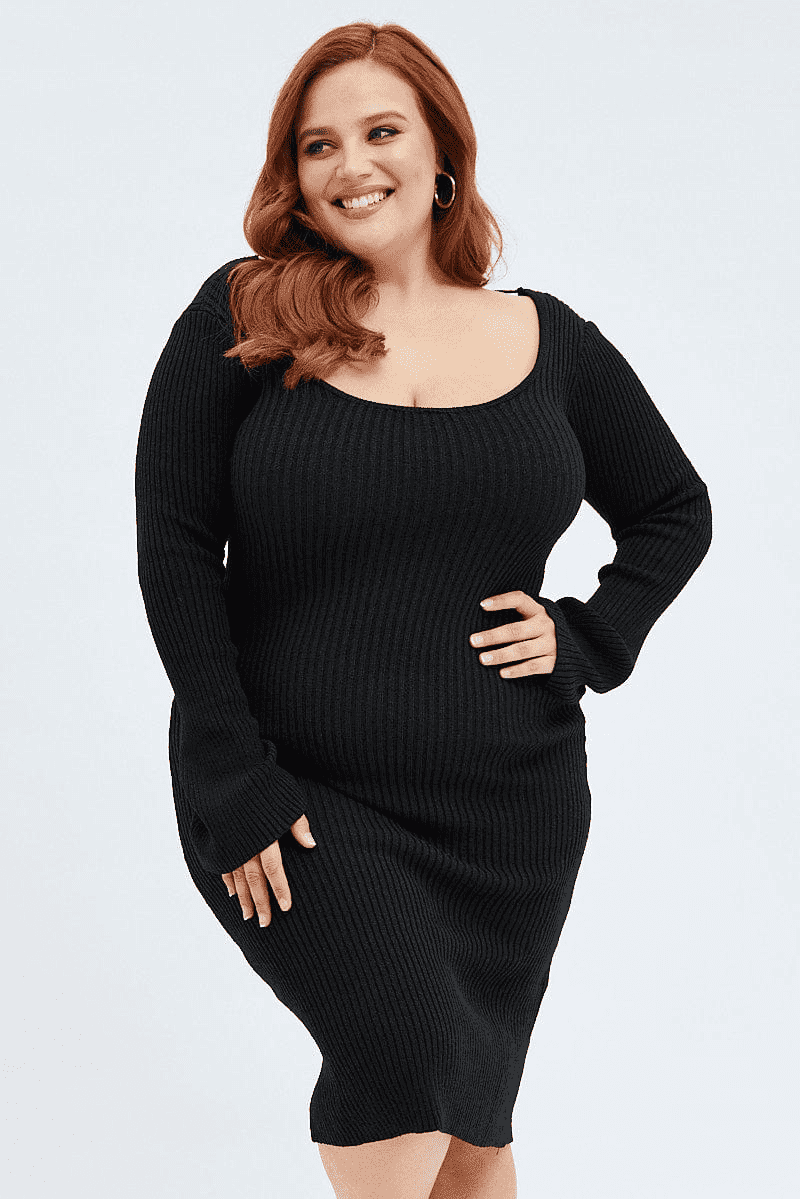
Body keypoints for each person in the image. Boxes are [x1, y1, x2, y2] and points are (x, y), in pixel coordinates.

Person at [134, 21, 713, 1199]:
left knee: (471, 1129)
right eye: (317, 145)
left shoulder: (548, 340)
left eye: (380, 131)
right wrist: (229, 770)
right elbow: (177, 547)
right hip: (291, 791)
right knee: (402, 1058)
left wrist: (587, 636)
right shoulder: (242, 314)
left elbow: (673, 508)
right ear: (292, 174)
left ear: (441, 152)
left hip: (509, 809)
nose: (351, 165)